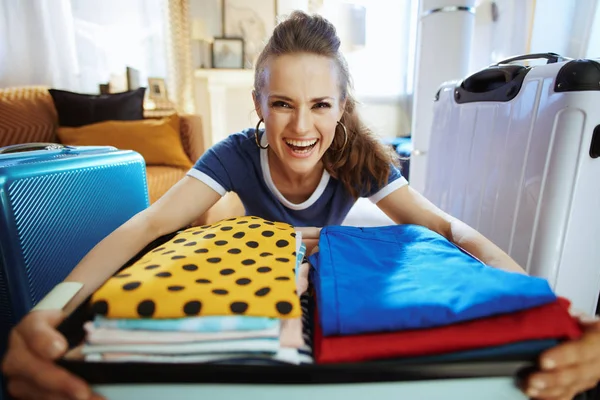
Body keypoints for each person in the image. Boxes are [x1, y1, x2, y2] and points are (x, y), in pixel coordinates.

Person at [2, 11, 600, 400]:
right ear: (260, 105)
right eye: (283, 103)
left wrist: (543, 308)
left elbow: (447, 227)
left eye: (320, 104)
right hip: (242, 235)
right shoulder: (233, 154)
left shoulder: (357, 158)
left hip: (313, 254)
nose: (301, 125)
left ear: (340, 109)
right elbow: (149, 222)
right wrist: (54, 306)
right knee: (209, 220)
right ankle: (230, 221)